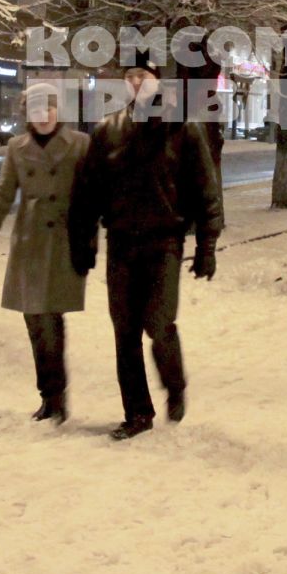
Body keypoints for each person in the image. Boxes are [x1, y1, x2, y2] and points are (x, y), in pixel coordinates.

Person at [69, 63, 223, 441]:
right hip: (121, 244)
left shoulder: (182, 128)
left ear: (157, 81)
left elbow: (206, 190)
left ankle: (175, 384)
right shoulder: (108, 131)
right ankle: (137, 412)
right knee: (124, 334)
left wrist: (207, 246)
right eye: (130, 77)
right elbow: (88, 192)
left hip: (164, 243)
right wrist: (84, 241)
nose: (136, 82)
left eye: (144, 76)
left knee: (159, 324)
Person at [0, 83, 90, 425]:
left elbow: (94, 194)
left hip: (66, 243)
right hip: (29, 244)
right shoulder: (17, 147)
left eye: (50, 109)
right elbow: (2, 193)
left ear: (58, 112)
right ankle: (49, 396)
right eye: (37, 110)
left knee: (51, 319)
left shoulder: (80, 145)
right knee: (34, 321)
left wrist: (90, 242)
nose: (44, 116)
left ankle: (56, 398)